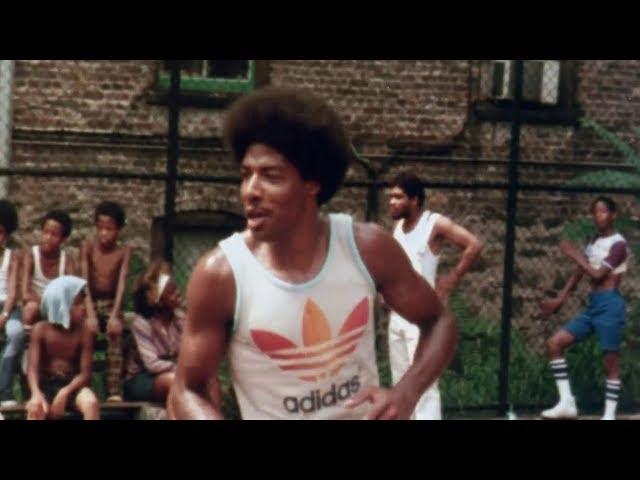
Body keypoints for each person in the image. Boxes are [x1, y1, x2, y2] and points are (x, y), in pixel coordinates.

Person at [168, 86, 458, 420]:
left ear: (312, 184)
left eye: (270, 176)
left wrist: (406, 394)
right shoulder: (221, 274)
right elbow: (187, 387)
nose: (250, 191)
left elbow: (439, 321)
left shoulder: (366, 248)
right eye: (246, 175)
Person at [386, 172, 483, 420]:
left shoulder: (434, 223)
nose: (392, 202)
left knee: (425, 386)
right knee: (401, 384)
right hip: (397, 316)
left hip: (422, 318)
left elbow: (474, 245)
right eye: (391, 197)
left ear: (415, 200)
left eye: (398, 197)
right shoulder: (397, 228)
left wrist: (451, 280)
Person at [540, 196, 627, 420]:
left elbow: (597, 274)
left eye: (603, 212)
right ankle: (567, 402)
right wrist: (560, 299)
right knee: (554, 344)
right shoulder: (593, 242)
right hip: (593, 305)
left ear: (613, 215)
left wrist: (574, 255)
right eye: (595, 213)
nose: (598, 217)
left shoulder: (619, 244)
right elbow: (579, 273)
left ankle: (609, 416)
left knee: (610, 361)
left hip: (610, 304)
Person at [25, 276, 99, 420]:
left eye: (83, 303)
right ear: (62, 305)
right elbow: (32, 368)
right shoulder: (40, 330)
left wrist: (65, 392)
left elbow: (85, 373)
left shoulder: (84, 332)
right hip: (45, 385)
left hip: (73, 385)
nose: (83, 308)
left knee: (91, 403)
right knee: (35, 409)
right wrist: (35, 393)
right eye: (77, 304)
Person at [81, 201, 131, 402]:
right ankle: (85, 386)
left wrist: (115, 316)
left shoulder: (123, 252)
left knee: (116, 335)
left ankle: (113, 391)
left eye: (109, 229)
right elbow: (84, 281)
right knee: (86, 333)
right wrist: (91, 314)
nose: (104, 233)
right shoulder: (88, 248)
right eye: (100, 228)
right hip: (90, 302)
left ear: (118, 230)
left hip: (112, 303)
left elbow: (121, 283)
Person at [124, 260, 182, 405]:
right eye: (172, 292)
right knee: (174, 381)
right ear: (159, 299)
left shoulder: (180, 319)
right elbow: (152, 364)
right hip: (143, 378)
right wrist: (183, 368)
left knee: (209, 379)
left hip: (175, 371)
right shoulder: (142, 323)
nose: (178, 294)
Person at [21, 210, 76, 328]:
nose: (48, 238)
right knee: (30, 309)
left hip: (58, 310)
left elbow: (71, 296)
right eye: (46, 232)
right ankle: (28, 344)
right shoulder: (31, 255)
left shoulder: (67, 261)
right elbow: (25, 295)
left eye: (54, 235)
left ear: (64, 239)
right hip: (37, 306)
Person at [0, 200, 24, 407]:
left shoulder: (12, 257)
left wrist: (4, 315)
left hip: (7, 308)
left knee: (16, 333)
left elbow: (13, 292)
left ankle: (4, 389)